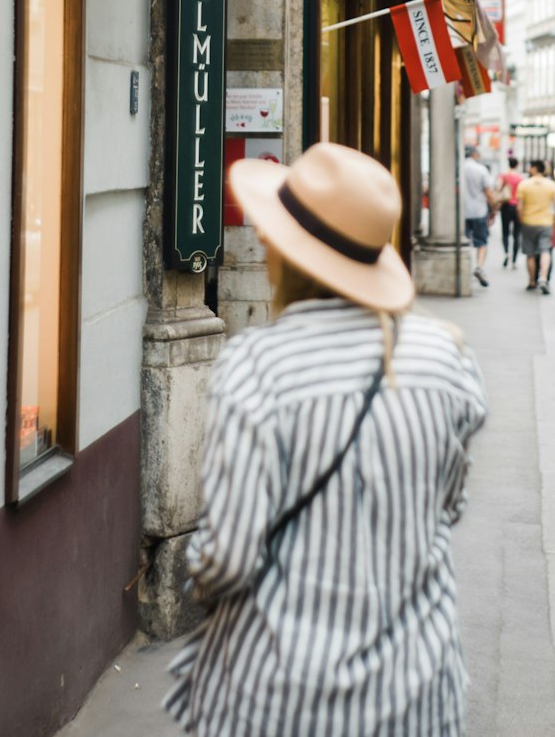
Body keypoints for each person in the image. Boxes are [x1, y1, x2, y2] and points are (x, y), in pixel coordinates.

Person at [165, 142, 488, 736]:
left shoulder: (256, 366)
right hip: (417, 690)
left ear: (288, 255)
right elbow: (449, 505)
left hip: (284, 697)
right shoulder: (448, 358)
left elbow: (230, 557)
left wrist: (199, 573)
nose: (262, 244)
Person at [517, 158, 555, 294]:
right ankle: (543, 278)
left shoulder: (524, 184)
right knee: (545, 251)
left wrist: (522, 220)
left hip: (528, 222)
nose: (529, 170)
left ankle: (531, 282)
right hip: (546, 223)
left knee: (530, 253)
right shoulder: (552, 185)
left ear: (535, 168)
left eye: (530, 167)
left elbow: (519, 208)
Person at [462, 144, 494, 287]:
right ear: (474, 154)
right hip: (479, 210)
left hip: (461, 212)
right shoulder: (481, 170)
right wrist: (493, 208)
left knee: (463, 241)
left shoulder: (458, 168)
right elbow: (488, 192)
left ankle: (464, 267)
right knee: (482, 241)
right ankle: (479, 267)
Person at [495, 155, 524, 268]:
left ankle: (507, 253)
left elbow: (497, 188)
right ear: (517, 165)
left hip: (506, 206)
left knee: (505, 232)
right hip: (517, 207)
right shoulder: (520, 178)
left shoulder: (503, 176)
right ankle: (514, 261)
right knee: (517, 234)